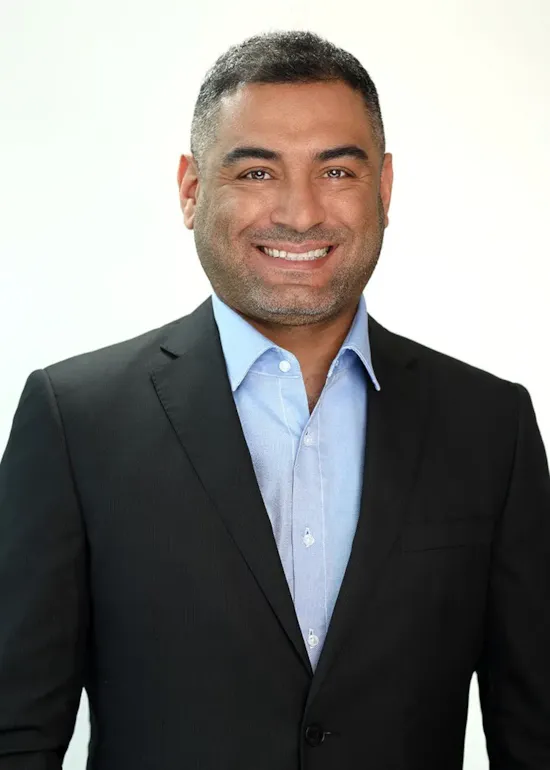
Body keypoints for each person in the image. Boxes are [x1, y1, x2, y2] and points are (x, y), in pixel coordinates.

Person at [0, 29, 549, 770]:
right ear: (192, 190)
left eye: (337, 171)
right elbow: (17, 734)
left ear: (383, 189)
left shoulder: (492, 427)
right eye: (257, 173)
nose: (299, 212)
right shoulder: (75, 420)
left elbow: (536, 732)